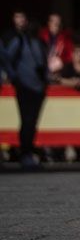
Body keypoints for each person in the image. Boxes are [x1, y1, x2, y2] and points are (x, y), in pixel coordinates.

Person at [2, 12, 50, 169]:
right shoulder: (20, 41)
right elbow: (6, 58)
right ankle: (25, 153)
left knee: (32, 122)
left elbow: (44, 63)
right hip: (24, 87)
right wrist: (14, 77)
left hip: (39, 88)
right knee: (26, 121)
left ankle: (28, 151)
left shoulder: (41, 42)